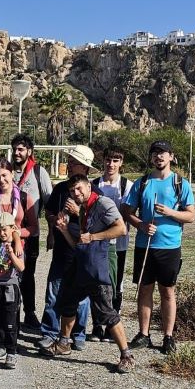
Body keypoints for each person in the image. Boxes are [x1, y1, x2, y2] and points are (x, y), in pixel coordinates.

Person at [43, 176, 135, 373]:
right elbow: (79, 244)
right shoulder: (83, 209)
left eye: (79, 189)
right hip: (81, 265)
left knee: (106, 313)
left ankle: (127, 355)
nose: (76, 193)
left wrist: (94, 236)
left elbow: (121, 229)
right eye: (72, 191)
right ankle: (64, 343)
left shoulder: (102, 203)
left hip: (97, 268)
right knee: (67, 303)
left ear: (88, 186)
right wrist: (65, 230)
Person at [122, 140, 195, 355]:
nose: (159, 157)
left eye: (163, 153)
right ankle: (143, 334)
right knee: (145, 290)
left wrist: (170, 213)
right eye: (155, 153)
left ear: (171, 156)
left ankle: (168, 336)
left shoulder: (180, 184)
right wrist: (140, 224)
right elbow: (127, 210)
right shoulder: (142, 183)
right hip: (145, 246)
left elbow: (191, 216)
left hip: (170, 246)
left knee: (167, 291)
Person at [40, 146, 96, 350]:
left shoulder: (94, 191)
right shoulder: (60, 189)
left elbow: (98, 220)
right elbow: (49, 211)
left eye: (74, 162)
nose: (70, 166)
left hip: (82, 252)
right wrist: (54, 222)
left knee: (81, 296)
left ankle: (78, 334)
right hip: (62, 249)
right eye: (70, 162)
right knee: (54, 291)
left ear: (85, 168)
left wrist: (79, 211)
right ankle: (50, 330)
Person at [9, 134, 53, 330]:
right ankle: (10, 313)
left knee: (27, 274)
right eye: (15, 149)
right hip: (7, 235)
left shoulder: (38, 172)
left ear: (29, 152)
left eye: (21, 149)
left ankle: (29, 312)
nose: (17, 153)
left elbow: (49, 203)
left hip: (30, 233)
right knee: (7, 274)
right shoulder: (7, 171)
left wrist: (51, 232)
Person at [93, 146, 132, 324]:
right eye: (108, 160)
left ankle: (112, 322)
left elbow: (129, 213)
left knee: (117, 282)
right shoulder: (94, 184)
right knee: (97, 281)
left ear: (121, 163)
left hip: (120, 243)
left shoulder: (127, 186)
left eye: (116, 161)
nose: (111, 164)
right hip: (98, 242)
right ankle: (98, 324)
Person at [0, 212, 25, 369]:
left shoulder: (18, 245)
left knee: (10, 322)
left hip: (10, 286)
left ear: (12, 229)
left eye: (5, 230)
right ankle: (0, 346)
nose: (2, 233)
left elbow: (21, 267)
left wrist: (11, 251)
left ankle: (11, 351)